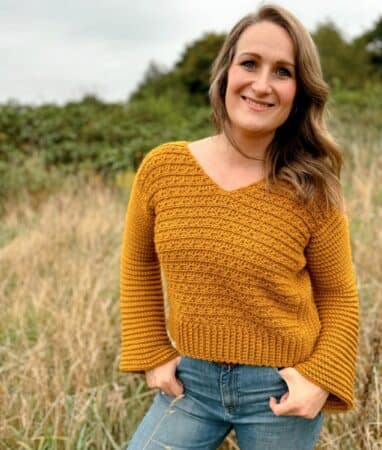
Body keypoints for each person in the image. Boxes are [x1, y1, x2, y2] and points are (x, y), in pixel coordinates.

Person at [119, 3, 360, 449]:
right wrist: (151, 351)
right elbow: (138, 264)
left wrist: (320, 377)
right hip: (191, 386)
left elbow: (339, 296)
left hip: (280, 389)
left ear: (299, 90)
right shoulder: (163, 168)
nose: (261, 84)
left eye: (283, 71)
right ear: (226, 72)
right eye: (250, 63)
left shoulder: (311, 187)